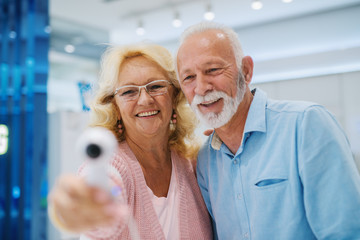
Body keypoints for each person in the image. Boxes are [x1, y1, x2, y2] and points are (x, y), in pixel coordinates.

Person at [176, 21, 360, 240]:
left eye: (213, 70)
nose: (201, 88)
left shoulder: (305, 125)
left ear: (246, 70)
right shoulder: (207, 159)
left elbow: (345, 232)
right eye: (189, 77)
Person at [48, 43, 213, 239]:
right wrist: (88, 209)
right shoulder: (112, 163)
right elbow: (104, 198)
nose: (145, 100)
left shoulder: (191, 165)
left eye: (156, 87)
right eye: (129, 92)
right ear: (115, 107)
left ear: (174, 96)